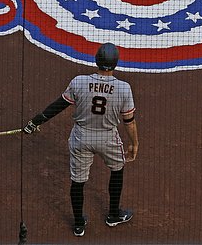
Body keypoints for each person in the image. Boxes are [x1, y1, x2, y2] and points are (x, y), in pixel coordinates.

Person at [23, 42, 139, 237]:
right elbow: (129, 121)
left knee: (78, 181)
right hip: (108, 138)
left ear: (96, 61)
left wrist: (35, 121)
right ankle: (113, 215)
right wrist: (134, 143)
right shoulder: (124, 88)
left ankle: (78, 224)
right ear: (116, 63)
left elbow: (58, 106)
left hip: (81, 137)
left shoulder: (79, 82)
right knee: (117, 170)